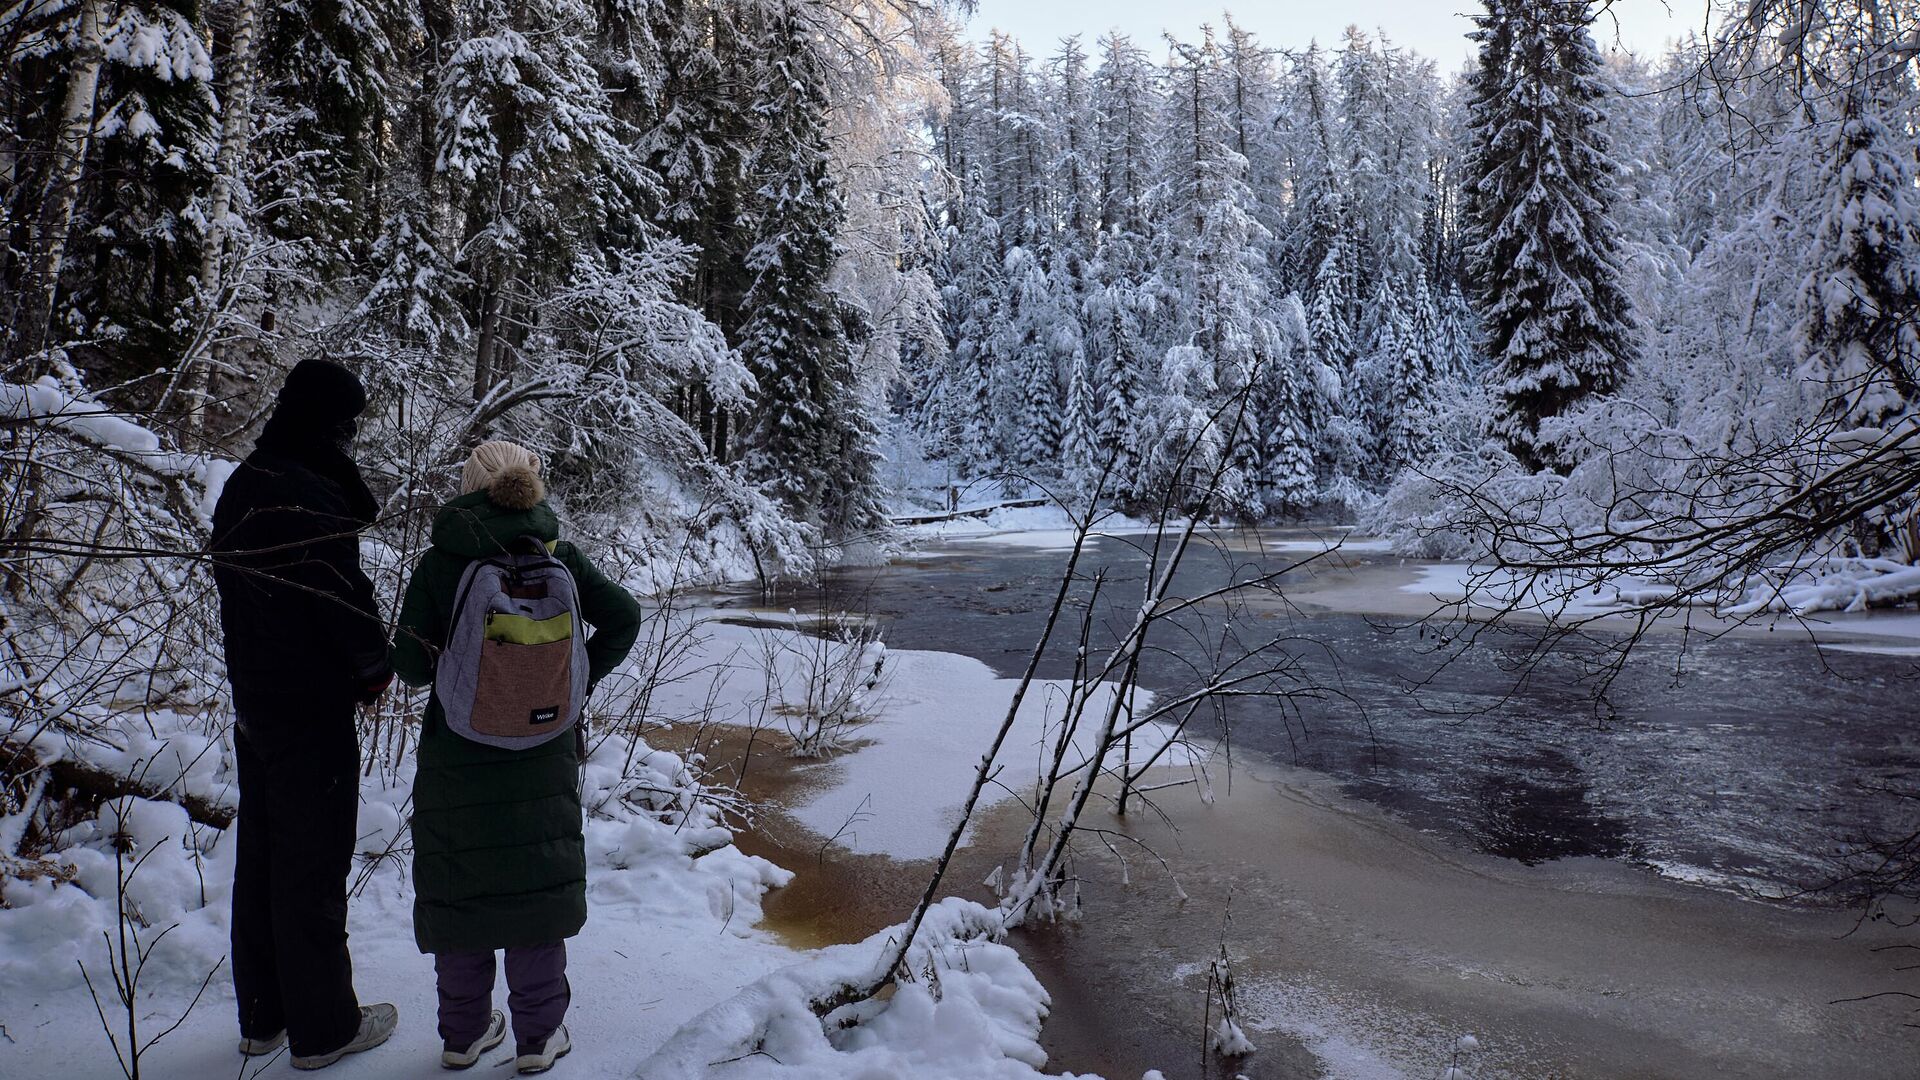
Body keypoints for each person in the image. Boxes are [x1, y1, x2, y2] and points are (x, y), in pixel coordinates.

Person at [392, 441, 640, 1075]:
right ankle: (537, 1038)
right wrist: (573, 683)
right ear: (532, 486)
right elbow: (625, 616)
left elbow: (412, 669)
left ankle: (462, 1036)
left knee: (462, 894)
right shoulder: (561, 557)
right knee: (536, 893)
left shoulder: (440, 565)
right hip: (545, 751)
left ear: (469, 490)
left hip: (458, 755)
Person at [209, 358, 399, 1070]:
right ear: (332, 422)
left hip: (256, 701)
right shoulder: (306, 492)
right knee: (311, 863)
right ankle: (325, 1029)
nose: (351, 437)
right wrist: (375, 669)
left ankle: (264, 1017)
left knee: (262, 858)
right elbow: (338, 595)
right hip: (309, 706)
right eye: (349, 422)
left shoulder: (247, 483)